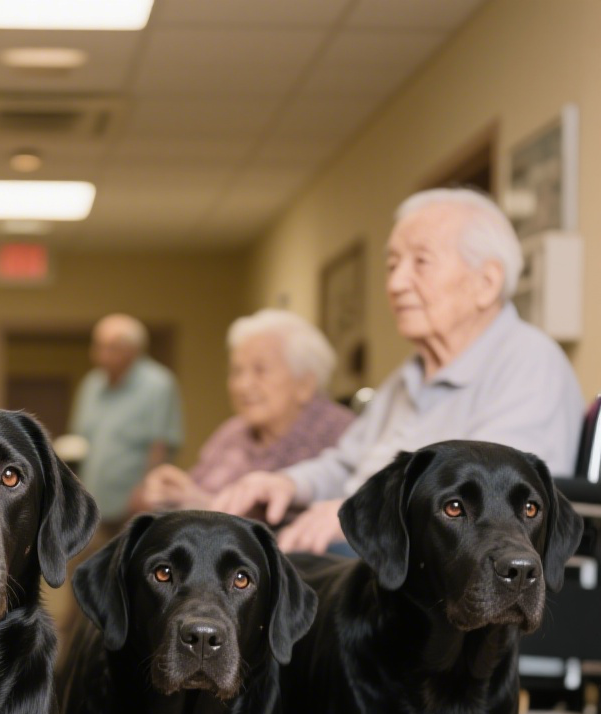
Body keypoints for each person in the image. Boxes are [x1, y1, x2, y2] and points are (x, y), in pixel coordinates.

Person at [211, 188, 585, 552]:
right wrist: (288, 484)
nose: (395, 283)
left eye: (420, 262)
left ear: (486, 283)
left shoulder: (530, 365)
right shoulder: (406, 376)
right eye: (392, 265)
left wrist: (353, 517)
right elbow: (346, 463)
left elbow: (490, 501)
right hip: (368, 545)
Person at [133, 309, 353, 511]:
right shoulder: (232, 431)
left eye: (260, 370)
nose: (242, 384)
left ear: (305, 384)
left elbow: (307, 526)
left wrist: (208, 507)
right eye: (236, 371)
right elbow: (194, 488)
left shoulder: (340, 435)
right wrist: (171, 491)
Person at [71, 314, 184, 530]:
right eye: (98, 346)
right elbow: (82, 442)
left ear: (133, 350)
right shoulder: (91, 384)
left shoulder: (158, 384)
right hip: (94, 503)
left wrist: (145, 491)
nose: (101, 355)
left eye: (111, 348)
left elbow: (160, 445)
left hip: (135, 507)